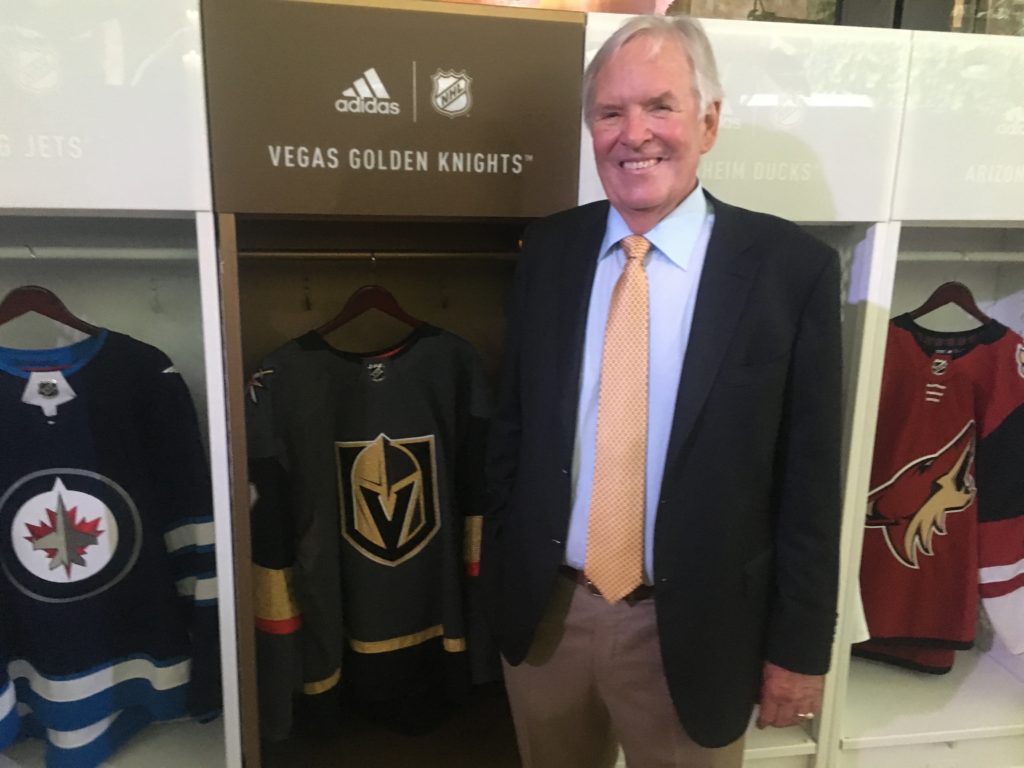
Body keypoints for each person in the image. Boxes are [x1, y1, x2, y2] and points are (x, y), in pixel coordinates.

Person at [482, 13, 841, 768]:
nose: (634, 133)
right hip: (548, 619)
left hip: (697, 632)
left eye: (660, 106)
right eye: (610, 112)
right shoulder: (548, 249)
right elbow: (512, 430)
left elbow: (809, 488)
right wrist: (502, 581)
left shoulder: (789, 270)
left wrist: (799, 651)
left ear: (708, 123)